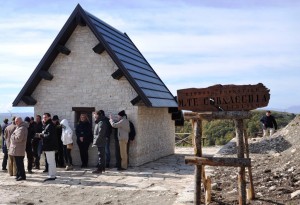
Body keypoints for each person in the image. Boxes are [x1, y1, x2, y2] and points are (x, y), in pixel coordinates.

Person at [36, 113, 58, 181]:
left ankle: (52, 176)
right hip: (49, 146)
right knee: (51, 161)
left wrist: (41, 135)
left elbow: (49, 136)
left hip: (50, 146)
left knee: (50, 162)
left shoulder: (50, 125)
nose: (44, 118)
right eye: (43, 117)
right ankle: (53, 175)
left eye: (45, 117)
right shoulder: (48, 125)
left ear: (49, 117)